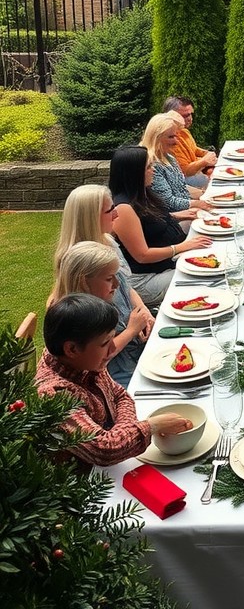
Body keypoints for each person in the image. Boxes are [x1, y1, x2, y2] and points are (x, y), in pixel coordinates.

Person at [35, 294, 193, 468]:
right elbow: (104, 450)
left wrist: (122, 433)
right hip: (83, 483)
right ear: (72, 349)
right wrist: (152, 426)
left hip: (114, 466)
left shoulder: (83, 361)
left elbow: (119, 395)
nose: (112, 349)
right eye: (104, 343)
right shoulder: (54, 395)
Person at [109, 145, 211, 307]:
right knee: (202, 278)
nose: (153, 171)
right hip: (146, 278)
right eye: (148, 167)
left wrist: (178, 216)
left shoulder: (142, 192)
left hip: (167, 262)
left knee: (209, 246)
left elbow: (147, 222)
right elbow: (142, 255)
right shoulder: (123, 208)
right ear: (134, 173)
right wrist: (182, 247)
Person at [50, 241, 152, 388]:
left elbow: (127, 289)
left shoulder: (107, 289)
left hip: (138, 356)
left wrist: (144, 312)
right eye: (109, 279)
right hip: (117, 375)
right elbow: (102, 356)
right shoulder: (74, 318)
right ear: (83, 281)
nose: (116, 284)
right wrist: (131, 330)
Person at [54, 182, 161, 312]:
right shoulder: (79, 260)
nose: (116, 214)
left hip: (131, 318)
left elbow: (125, 285)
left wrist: (142, 308)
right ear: (91, 217)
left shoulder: (108, 240)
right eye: (110, 210)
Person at [140, 112, 211, 212]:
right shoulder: (150, 164)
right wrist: (196, 203)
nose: (176, 142)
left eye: (176, 136)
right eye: (171, 137)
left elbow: (180, 187)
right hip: (171, 218)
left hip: (184, 210)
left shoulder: (169, 157)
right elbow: (167, 203)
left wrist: (204, 194)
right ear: (156, 137)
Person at [162, 96, 217, 188]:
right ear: (171, 116)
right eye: (185, 115)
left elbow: (194, 149)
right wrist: (204, 161)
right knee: (216, 180)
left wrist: (207, 153)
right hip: (183, 181)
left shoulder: (184, 131)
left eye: (191, 114)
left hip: (195, 173)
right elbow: (185, 171)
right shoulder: (169, 139)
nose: (190, 118)